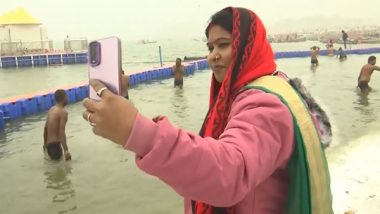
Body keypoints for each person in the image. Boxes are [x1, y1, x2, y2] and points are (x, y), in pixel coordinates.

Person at [82, 7, 333, 214]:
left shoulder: (265, 104)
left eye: (223, 45)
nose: (213, 55)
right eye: (210, 47)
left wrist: (137, 132)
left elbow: (231, 171)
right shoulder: (269, 84)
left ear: (249, 46)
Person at [44, 89, 71, 161]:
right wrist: (66, 151)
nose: (67, 99)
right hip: (55, 146)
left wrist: (45, 145)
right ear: (64, 98)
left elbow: (45, 129)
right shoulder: (63, 112)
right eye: (67, 97)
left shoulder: (51, 110)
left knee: (53, 167)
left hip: (49, 145)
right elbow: (61, 132)